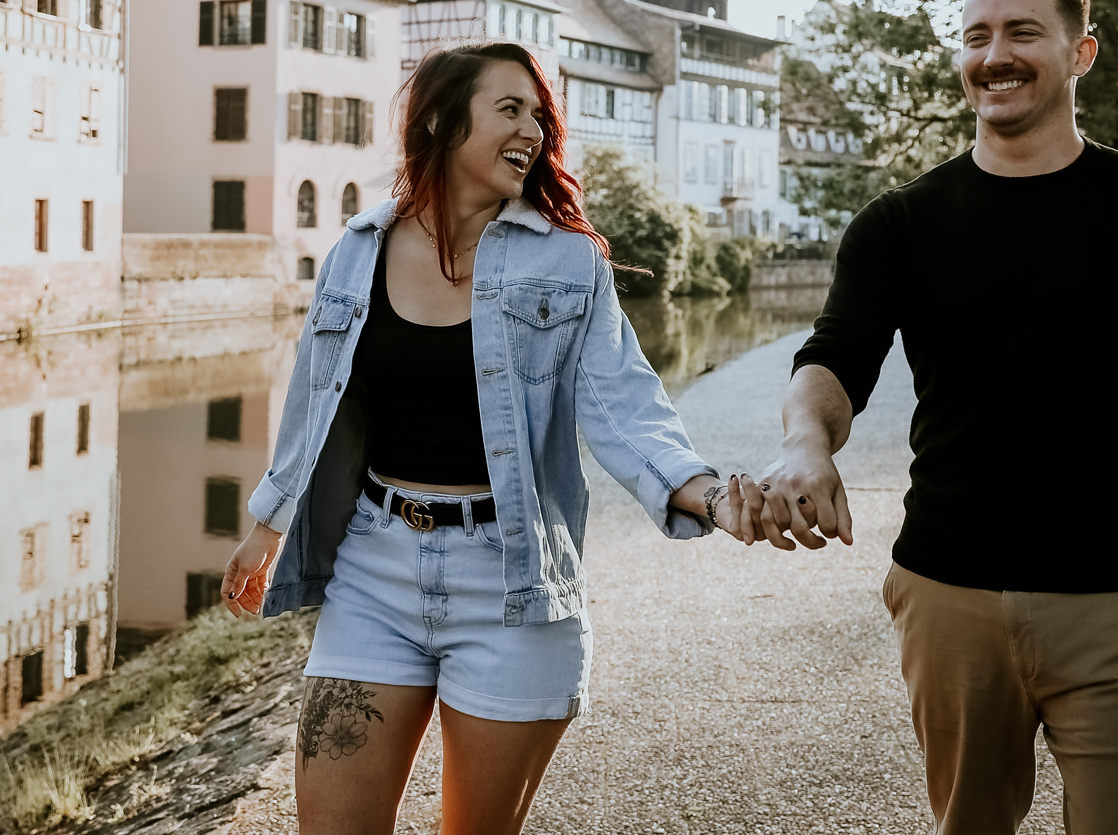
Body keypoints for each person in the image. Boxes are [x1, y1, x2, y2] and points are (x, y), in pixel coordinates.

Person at [739, 0, 1118, 834]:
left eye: (1023, 31)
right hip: (947, 595)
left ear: (1081, 52)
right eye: (977, 35)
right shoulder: (900, 224)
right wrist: (806, 442)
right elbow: (834, 359)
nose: (996, 53)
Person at [221, 42, 747, 834]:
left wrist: (707, 494)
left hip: (512, 586)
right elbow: (316, 401)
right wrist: (268, 523)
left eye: (540, 116)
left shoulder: (569, 261)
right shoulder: (355, 252)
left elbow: (624, 406)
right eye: (510, 109)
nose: (533, 130)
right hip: (374, 569)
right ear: (440, 118)